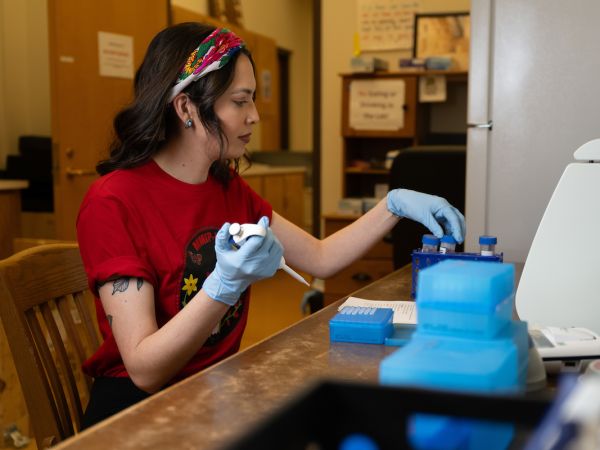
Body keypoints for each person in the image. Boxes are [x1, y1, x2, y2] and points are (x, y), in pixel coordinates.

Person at [76, 22, 466, 428]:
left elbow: (321, 257)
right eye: (240, 101)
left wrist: (393, 205)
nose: (255, 116)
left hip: (213, 396)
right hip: (137, 417)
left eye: (253, 100)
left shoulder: (227, 189)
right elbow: (144, 369)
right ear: (186, 107)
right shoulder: (113, 201)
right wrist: (223, 286)